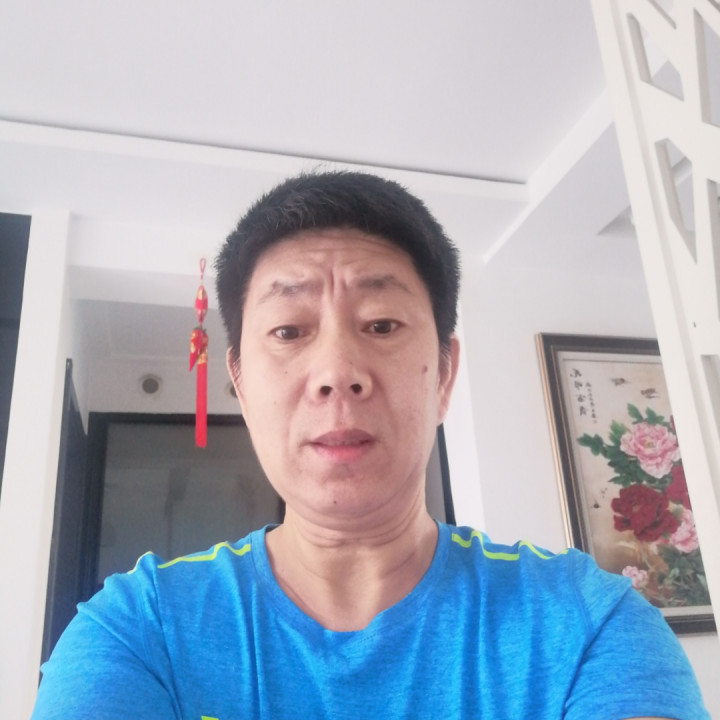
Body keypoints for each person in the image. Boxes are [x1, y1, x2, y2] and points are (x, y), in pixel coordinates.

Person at [32, 171, 708, 719]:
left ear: (444, 374)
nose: (336, 371)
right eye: (289, 331)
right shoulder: (139, 631)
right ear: (239, 382)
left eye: (382, 324)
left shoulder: (588, 625)